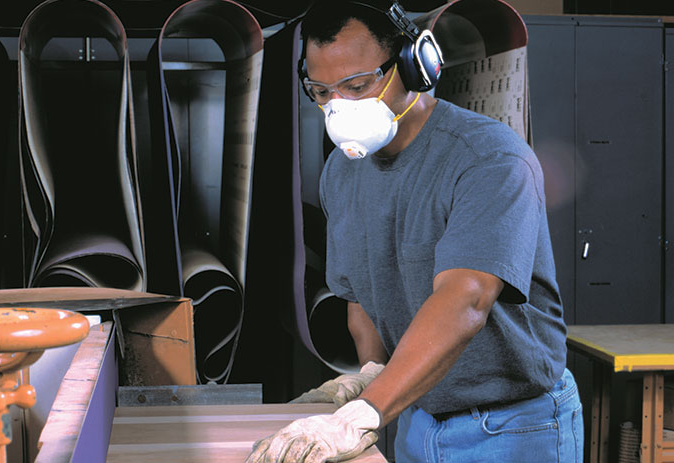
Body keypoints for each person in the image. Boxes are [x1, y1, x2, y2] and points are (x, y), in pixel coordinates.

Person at [246, 1, 583, 462]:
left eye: (358, 85)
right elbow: (360, 300)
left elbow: (466, 299)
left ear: (415, 66)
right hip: (415, 413)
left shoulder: (488, 158)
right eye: (322, 92)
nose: (339, 107)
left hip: (511, 424)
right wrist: (371, 373)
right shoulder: (341, 172)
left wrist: (361, 414)